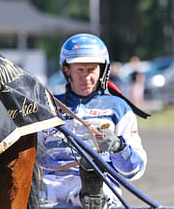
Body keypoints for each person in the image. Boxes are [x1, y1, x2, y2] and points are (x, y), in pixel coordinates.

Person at [40, 33, 147, 209]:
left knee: (93, 197)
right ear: (67, 70)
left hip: (99, 187)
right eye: (80, 70)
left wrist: (118, 147)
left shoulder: (118, 108)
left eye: (91, 70)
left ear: (102, 70)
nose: (86, 77)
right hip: (50, 187)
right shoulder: (48, 105)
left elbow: (134, 171)